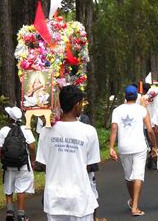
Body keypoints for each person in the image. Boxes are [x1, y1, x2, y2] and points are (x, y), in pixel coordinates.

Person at [36, 85, 101, 221]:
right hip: (80, 198)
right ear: (77, 104)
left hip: (54, 198)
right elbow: (91, 166)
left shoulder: (46, 131)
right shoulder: (89, 131)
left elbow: (42, 165)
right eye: (82, 103)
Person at [109, 85, 158, 217]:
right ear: (136, 96)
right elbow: (150, 130)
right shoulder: (142, 109)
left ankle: (133, 201)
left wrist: (111, 147)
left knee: (129, 176)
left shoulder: (117, 110)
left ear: (125, 96)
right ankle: (135, 206)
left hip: (124, 147)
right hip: (139, 146)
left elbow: (114, 128)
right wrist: (154, 146)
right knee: (138, 175)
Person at [0, 106, 36, 221]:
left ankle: (9, 212)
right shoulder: (26, 129)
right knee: (20, 189)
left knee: (8, 187)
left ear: (10, 118)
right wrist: (33, 160)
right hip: (23, 164)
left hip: (8, 166)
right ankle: (21, 215)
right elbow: (32, 146)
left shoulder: (4, 130)